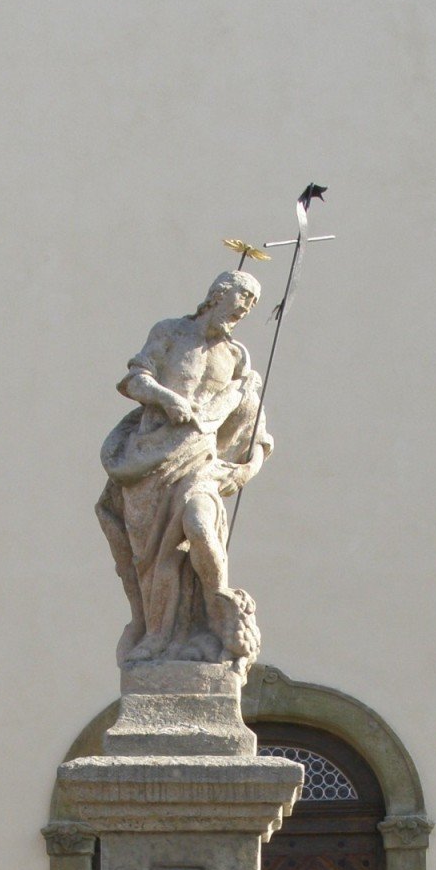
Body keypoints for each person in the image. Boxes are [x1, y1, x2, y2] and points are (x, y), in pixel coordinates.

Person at [96, 270, 273, 669]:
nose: (245, 308)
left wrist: (249, 468)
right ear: (218, 294)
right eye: (243, 297)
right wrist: (166, 399)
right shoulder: (172, 333)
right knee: (155, 559)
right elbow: (135, 380)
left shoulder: (236, 357)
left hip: (201, 461)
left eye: (252, 304)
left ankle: (220, 609)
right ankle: (159, 636)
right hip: (150, 459)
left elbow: (254, 425)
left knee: (199, 524)